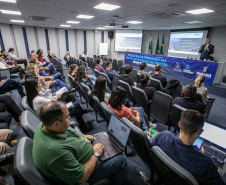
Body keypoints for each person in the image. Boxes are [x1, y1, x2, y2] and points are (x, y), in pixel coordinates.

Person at [32, 101, 127, 185]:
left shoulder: (46, 123)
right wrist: (96, 154)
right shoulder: (56, 152)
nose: (70, 118)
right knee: (122, 159)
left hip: (83, 149)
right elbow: (81, 178)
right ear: (56, 123)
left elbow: (68, 129)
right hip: (88, 170)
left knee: (103, 135)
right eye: (67, 117)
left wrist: (84, 136)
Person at [151, 109, 226, 185]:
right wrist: (202, 155)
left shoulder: (163, 136)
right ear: (200, 132)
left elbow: (151, 149)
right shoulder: (206, 163)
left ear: (179, 124)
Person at [25, 76, 90, 132]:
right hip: (53, 116)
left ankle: (84, 127)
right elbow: (52, 101)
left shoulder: (36, 95)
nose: (41, 84)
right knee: (76, 104)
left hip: (52, 111)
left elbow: (50, 98)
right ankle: (84, 127)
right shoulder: (38, 99)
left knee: (77, 111)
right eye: (39, 83)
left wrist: (45, 84)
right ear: (35, 87)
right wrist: (57, 97)